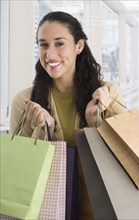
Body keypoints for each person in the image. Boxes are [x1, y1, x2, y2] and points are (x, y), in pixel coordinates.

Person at [10, 11, 126, 219]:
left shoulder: (108, 94)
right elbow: (19, 171)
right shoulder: (25, 101)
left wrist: (95, 122)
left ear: (79, 46)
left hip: (97, 208)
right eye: (44, 45)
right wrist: (44, 129)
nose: (50, 54)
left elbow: (126, 159)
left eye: (59, 43)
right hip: (45, 209)